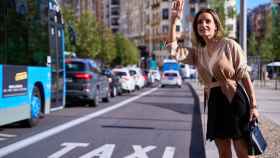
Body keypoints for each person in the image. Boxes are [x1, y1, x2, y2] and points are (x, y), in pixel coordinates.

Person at [169, 1, 260, 158]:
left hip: (234, 99)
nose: (203, 24)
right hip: (214, 103)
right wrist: (173, 21)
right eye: (199, 22)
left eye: (207, 21)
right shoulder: (198, 53)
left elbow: (245, 77)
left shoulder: (229, 45)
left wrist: (253, 106)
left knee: (242, 151)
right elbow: (173, 50)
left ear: (216, 26)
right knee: (223, 152)